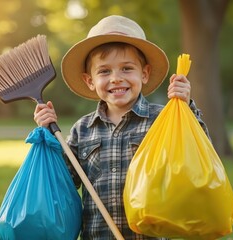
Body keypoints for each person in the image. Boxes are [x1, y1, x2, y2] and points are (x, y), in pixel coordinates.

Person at [34, 15, 210, 240]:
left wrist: (186, 108)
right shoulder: (82, 129)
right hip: (98, 235)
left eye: (127, 68)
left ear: (144, 74)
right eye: (104, 71)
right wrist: (50, 137)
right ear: (90, 80)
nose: (116, 78)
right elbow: (65, 181)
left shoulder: (162, 118)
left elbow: (197, 153)